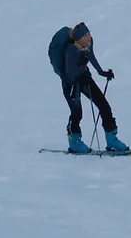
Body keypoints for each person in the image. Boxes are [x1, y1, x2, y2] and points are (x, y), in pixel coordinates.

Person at [51, 22, 126, 153]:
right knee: (77, 113)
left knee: (104, 106)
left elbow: (91, 56)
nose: (89, 36)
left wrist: (101, 71)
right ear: (80, 38)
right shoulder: (71, 48)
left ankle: (112, 140)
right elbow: (70, 73)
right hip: (71, 83)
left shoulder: (87, 44)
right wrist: (81, 63)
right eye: (86, 34)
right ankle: (74, 141)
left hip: (84, 77)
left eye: (89, 33)